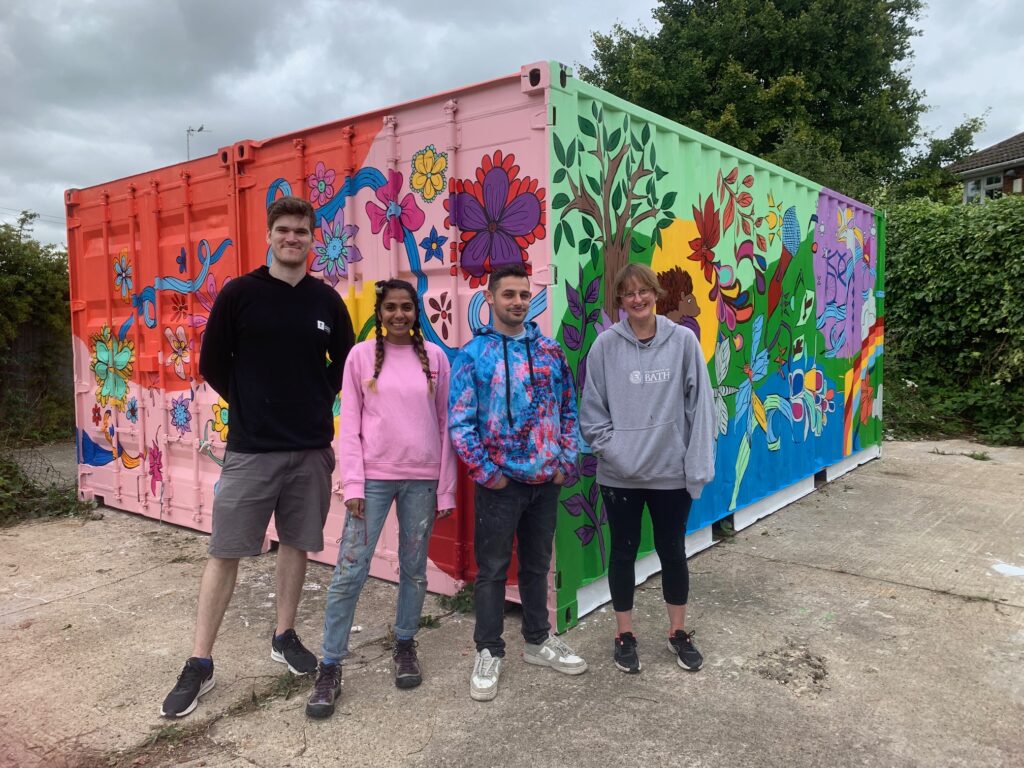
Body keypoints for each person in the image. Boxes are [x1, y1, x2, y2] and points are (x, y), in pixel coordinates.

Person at [160, 195, 355, 718]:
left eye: (303, 231)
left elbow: (346, 365)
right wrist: (248, 405)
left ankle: (284, 635)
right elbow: (212, 363)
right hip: (250, 450)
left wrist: (316, 400)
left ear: (314, 239)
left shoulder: (325, 301)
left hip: (311, 449)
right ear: (269, 235)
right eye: (285, 230)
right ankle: (199, 662)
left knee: (297, 544)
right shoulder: (240, 295)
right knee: (225, 552)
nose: (294, 238)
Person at [305, 279, 456, 719]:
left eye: (406, 307)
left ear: (416, 312)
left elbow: (447, 427)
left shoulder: (437, 360)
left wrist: (445, 488)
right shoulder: (359, 358)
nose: (398, 315)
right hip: (371, 482)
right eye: (390, 308)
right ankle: (330, 665)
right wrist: (352, 484)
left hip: (422, 483)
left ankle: (405, 643)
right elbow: (348, 425)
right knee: (350, 571)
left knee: (413, 569)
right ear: (379, 311)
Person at [448, 262, 586, 702]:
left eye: (524, 295)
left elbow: (569, 408)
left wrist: (566, 460)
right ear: (489, 298)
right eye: (508, 295)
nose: (518, 302)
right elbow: (461, 423)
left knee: (536, 565)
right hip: (500, 486)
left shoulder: (549, 352)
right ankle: (489, 649)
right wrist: (489, 475)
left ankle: (537, 640)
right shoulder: (473, 356)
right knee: (490, 571)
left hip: (546, 481)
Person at [579, 263, 715, 675]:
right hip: (619, 476)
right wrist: (617, 451)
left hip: (670, 474)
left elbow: (701, 408)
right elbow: (592, 413)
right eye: (628, 293)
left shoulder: (684, 342)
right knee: (622, 551)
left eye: (644, 291)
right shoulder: (605, 346)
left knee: (672, 551)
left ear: (657, 294)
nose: (636, 299)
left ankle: (677, 633)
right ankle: (624, 634)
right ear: (620, 300)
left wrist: (696, 467)